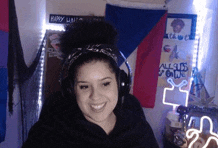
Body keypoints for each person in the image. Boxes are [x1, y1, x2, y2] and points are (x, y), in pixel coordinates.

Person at [22, 20, 159, 148]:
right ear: (71, 90)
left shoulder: (139, 130)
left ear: (120, 83)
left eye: (105, 84)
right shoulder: (48, 135)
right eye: (84, 86)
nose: (95, 96)